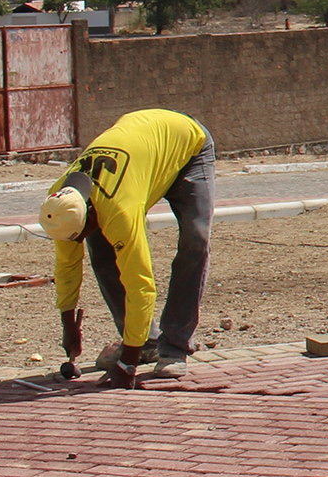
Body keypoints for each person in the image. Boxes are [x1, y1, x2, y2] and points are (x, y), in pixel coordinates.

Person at [39, 108, 215, 388]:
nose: (78, 242)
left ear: (90, 214)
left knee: (195, 240)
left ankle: (174, 346)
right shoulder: (61, 201)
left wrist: (126, 364)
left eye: (80, 234)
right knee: (103, 254)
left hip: (186, 145)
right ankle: (145, 342)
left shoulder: (120, 208)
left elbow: (140, 284)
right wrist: (68, 323)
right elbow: (67, 266)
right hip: (141, 147)